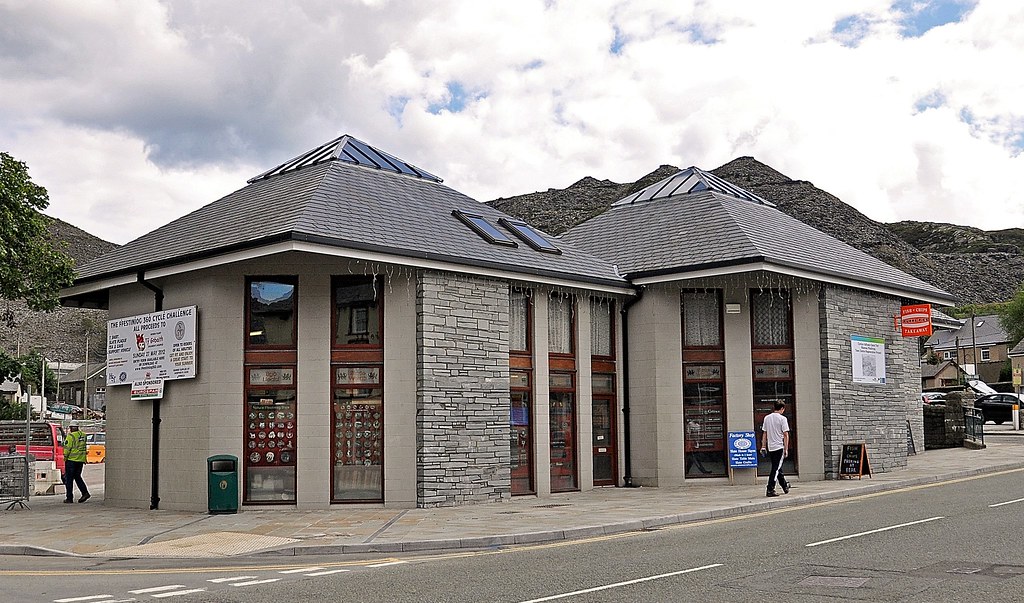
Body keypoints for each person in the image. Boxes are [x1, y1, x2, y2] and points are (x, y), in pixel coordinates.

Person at [759, 401, 790, 498]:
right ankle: (770, 489)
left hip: (771, 447)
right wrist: (786, 448)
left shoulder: (767, 418)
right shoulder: (783, 419)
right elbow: (785, 434)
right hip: (779, 446)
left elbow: (764, 433)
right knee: (775, 469)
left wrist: (763, 446)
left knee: (777, 467)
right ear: (782, 409)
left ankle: (785, 486)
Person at [63, 423, 91, 503]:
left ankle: (69, 498)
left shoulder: (70, 436)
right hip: (81, 460)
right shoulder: (83, 435)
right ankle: (85, 493)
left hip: (71, 460)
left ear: (71, 427)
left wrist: (65, 458)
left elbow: (67, 448)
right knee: (78, 477)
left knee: (69, 479)